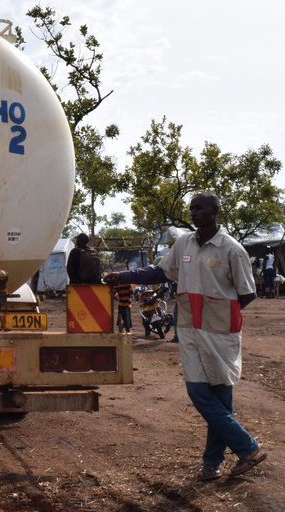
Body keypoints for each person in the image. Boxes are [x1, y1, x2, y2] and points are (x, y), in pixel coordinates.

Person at [106, 193, 266, 481]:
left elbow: (247, 293)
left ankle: (221, 459)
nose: (193, 213)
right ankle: (238, 452)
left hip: (220, 334)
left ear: (215, 211)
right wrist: (126, 276)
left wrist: (217, 314)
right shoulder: (184, 243)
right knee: (200, 392)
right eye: (191, 208)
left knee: (218, 396)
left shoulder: (232, 249)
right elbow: (161, 272)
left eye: (199, 208)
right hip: (190, 332)